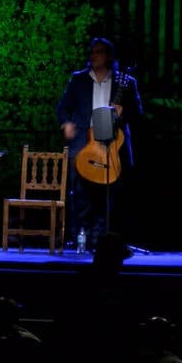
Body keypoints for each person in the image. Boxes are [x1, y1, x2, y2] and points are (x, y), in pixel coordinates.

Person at [56, 37, 143, 250]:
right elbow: (63, 107)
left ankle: (102, 239)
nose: (93, 55)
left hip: (112, 147)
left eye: (99, 51)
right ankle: (80, 238)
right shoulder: (79, 80)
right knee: (80, 195)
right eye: (92, 51)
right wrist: (66, 123)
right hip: (83, 145)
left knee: (109, 197)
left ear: (109, 56)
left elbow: (138, 114)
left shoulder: (125, 82)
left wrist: (123, 112)